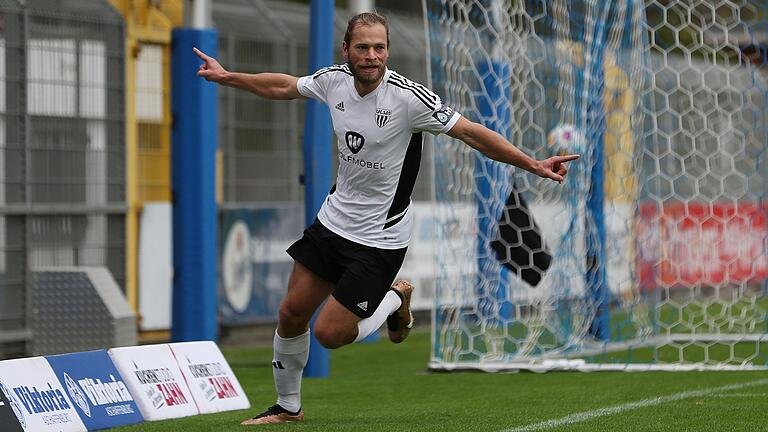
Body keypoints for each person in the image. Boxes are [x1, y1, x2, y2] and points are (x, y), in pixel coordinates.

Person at [195, 11, 578, 425]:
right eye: (362, 47)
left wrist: (533, 164)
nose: (372, 56)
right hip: (332, 221)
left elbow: (471, 132)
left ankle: (396, 298)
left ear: (388, 51)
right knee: (290, 314)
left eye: (379, 48)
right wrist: (229, 76)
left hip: (379, 237)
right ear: (347, 50)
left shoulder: (409, 99)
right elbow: (285, 85)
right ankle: (288, 408)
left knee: (330, 334)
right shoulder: (333, 80)